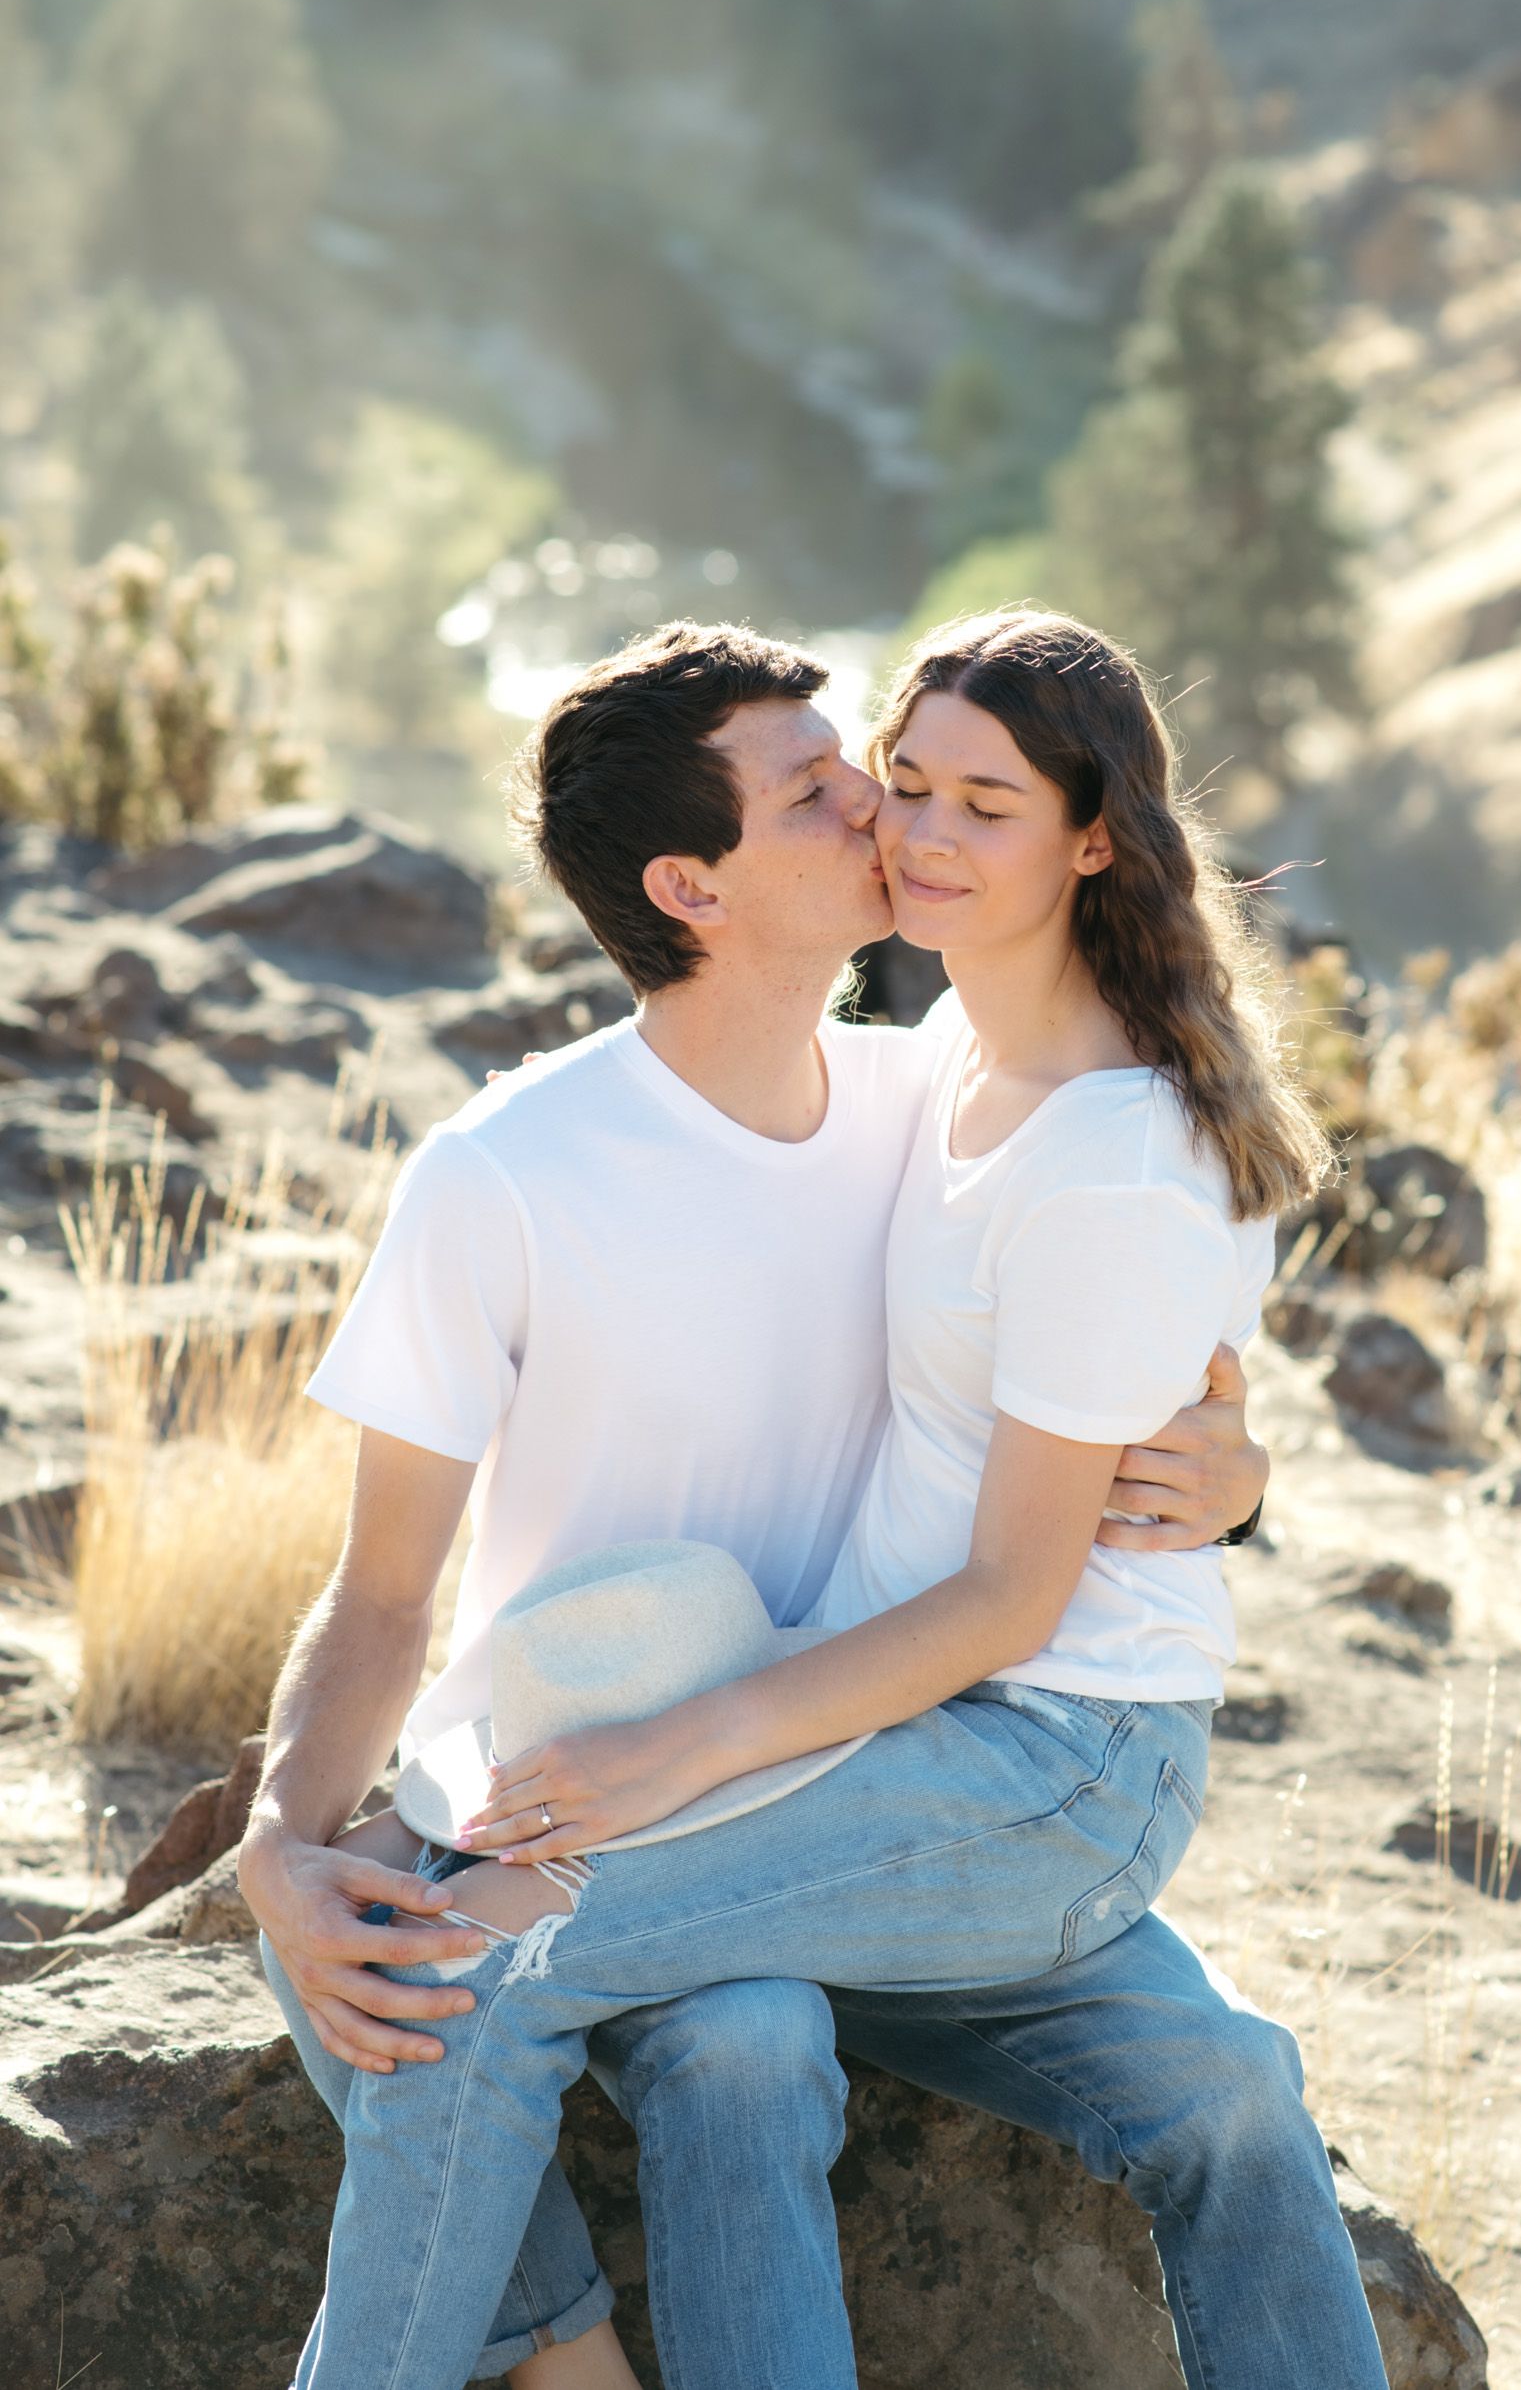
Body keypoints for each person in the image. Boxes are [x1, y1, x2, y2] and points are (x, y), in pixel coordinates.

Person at [242, 612, 1389, 2390]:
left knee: (503, 1965)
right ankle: (564, 2352)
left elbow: (1125, 1320)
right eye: (849, 786)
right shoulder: (572, 1159)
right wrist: (281, 1850)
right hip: (765, 1743)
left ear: (1091, 834)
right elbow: (384, 1597)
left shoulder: (1000, 1104)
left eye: (936, 789)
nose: (888, 815)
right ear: (693, 885)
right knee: (522, 1982)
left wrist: (1235, 1481)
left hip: (955, 1752)